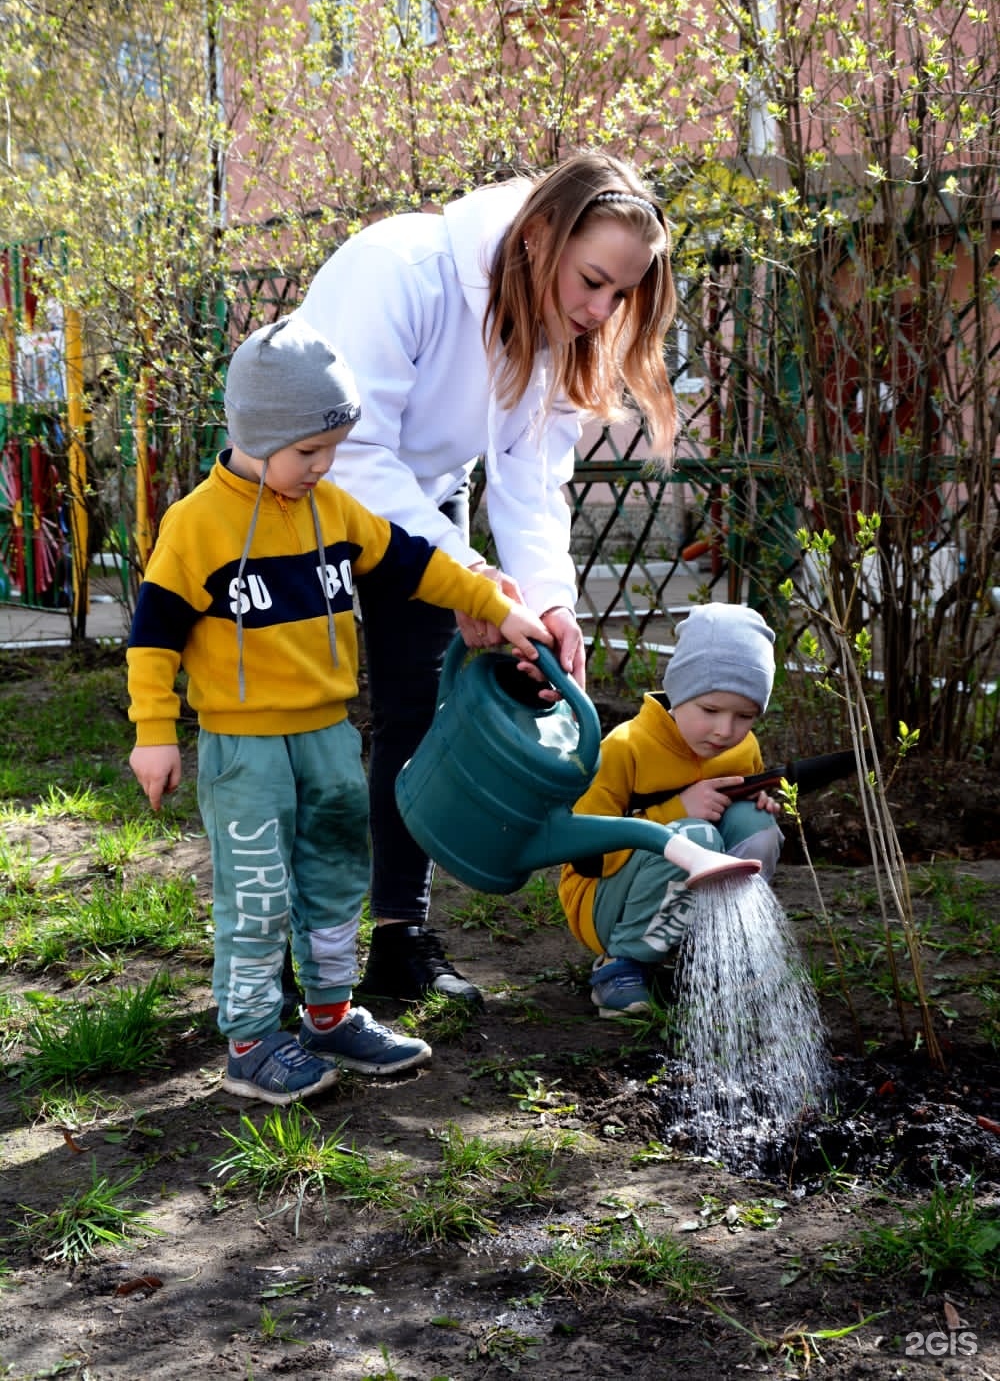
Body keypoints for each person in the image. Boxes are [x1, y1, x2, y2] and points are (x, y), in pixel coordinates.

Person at [126, 316, 554, 1105]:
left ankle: (328, 1015)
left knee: (333, 876)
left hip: (327, 739)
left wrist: (496, 603)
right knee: (256, 894)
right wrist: (155, 734)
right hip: (245, 749)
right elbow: (152, 639)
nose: (322, 469)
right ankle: (252, 1039)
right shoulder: (194, 527)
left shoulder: (334, 509)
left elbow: (418, 564)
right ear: (256, 433)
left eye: (332, 451)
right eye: (308, 454)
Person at [297, 150, 678, 1004]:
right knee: (304, 723)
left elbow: (531, 481)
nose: (600, 310)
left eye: (621, 295)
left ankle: (400, 941)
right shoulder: (403, 269)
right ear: (539, 235)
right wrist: (469, 575)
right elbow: (353, 456)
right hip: (303, 499)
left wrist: (543, 602)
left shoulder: (551, 329)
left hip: (420, 501)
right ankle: (290, 955)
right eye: (593, 281)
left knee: (414, 714)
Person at [558, 603, 785, 1019]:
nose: (725, 731)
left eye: (745, 717)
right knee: (694, 837)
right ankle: (621, 964)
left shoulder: (742, 749)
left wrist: (758, 803)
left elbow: (738, 823)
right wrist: (674, 811)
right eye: (711, 711)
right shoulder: (626, 748)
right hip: (604, 905)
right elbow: (584, 850)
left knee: (758, 827)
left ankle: (717, 952)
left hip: (677, 899)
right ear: (680, 693)